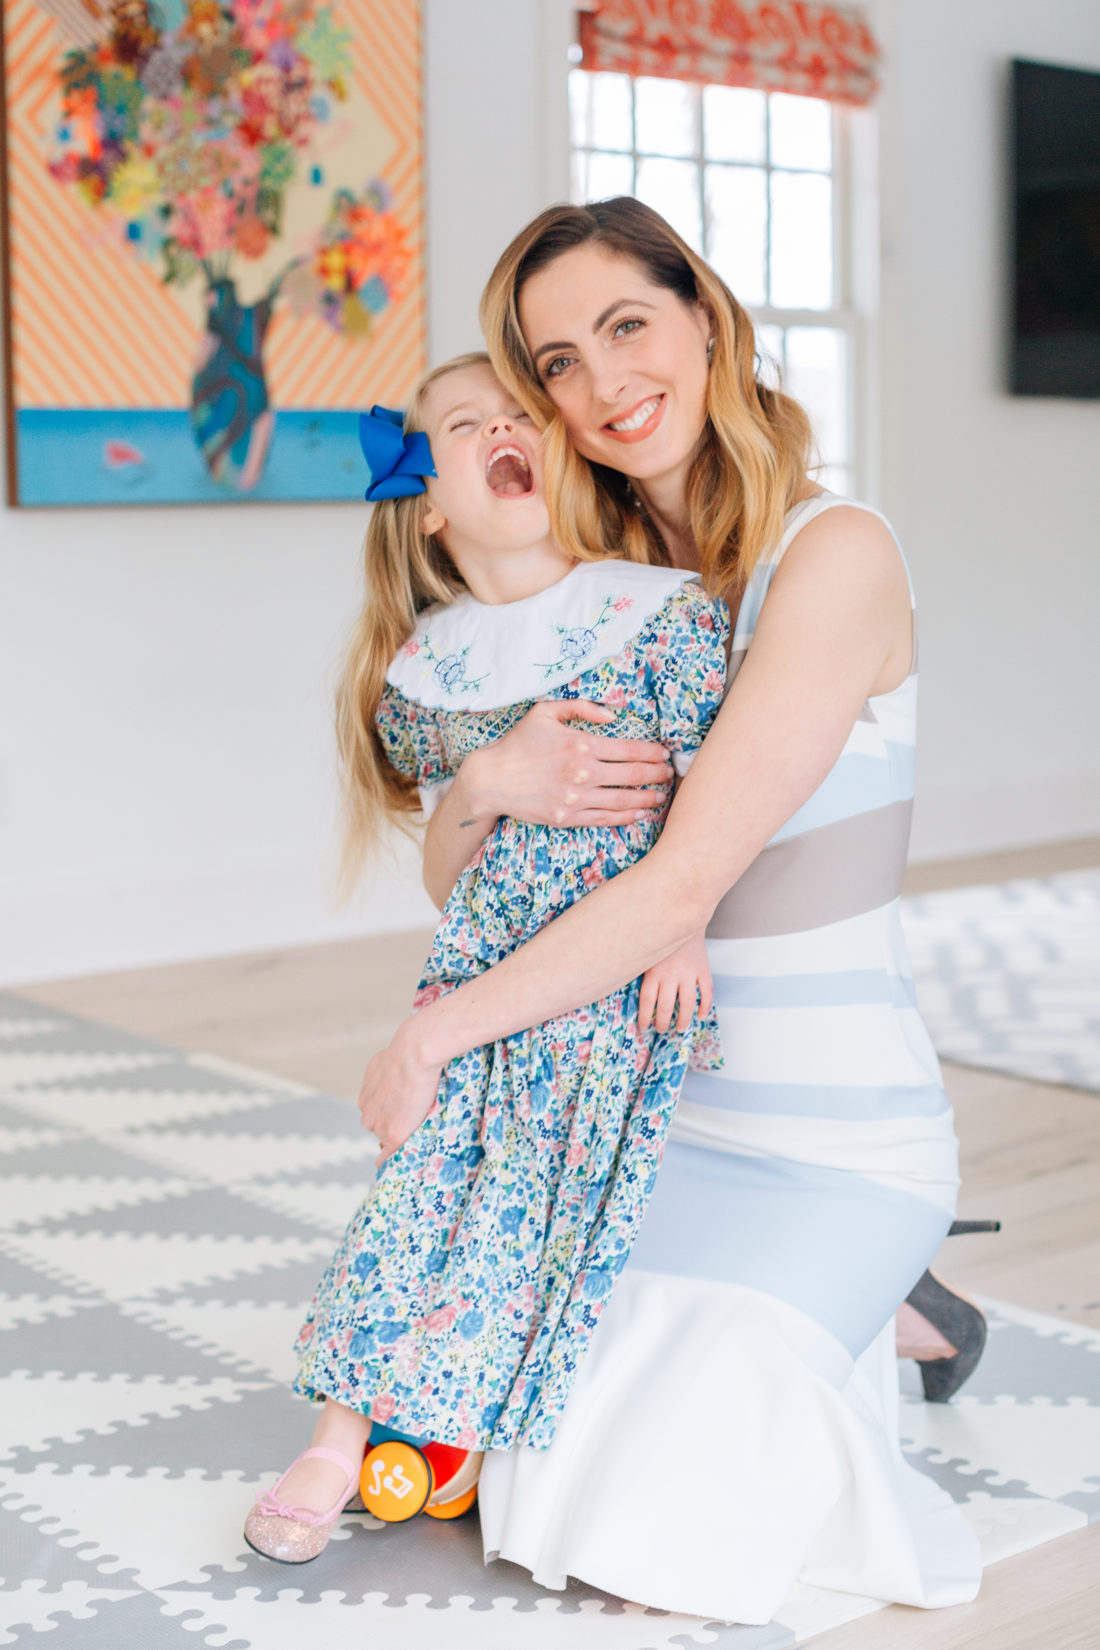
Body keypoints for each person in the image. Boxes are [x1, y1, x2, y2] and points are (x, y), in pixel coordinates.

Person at [353, 200, 985, 1624]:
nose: (600, 382)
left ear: (704, 315)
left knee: (656, 1527)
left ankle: (900, 1290)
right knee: (522, 1491)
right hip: (633, 1123)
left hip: (833, 1143)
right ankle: (906, 1312)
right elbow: (472, 881)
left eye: (626, 326)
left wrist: (434, 1035)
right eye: (556, 361)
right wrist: (492, 778)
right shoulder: (593, 599)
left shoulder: (835, 556)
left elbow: (680, 885)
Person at [242, 351, 731, 1564]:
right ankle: (335, 1433)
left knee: (551, 1205)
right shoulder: (434, 670)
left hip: (616, 979)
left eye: (519, 414)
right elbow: (447, 873)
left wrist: (683, 923)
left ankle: (478, 1410)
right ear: (430, 499)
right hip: (477, 977)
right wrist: (485, 779)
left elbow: (723, 801)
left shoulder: (654, 614)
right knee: (418, 1186)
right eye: (465, 424)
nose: (501, 429)